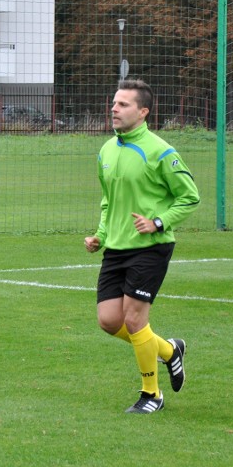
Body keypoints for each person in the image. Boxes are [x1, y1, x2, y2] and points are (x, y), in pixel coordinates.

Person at [84, 79, 200, 413]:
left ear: (143, 111)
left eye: (123, 105)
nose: (114, 109)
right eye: (114, 103)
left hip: (151, 247)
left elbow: (190, 197)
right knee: (109, 321)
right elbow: (109, 201)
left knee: (135, 320)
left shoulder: (160, 151)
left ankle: (152, 395)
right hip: (116, 248)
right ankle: (168, 350)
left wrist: (158, 222)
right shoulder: (107, 150)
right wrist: (100, 237)